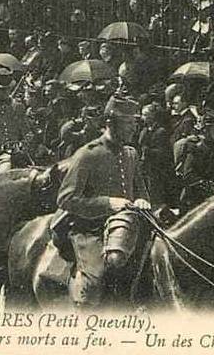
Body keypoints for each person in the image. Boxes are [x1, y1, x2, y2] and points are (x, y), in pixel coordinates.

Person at [54, 96, 150, 306]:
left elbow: (141, 191)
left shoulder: (131, 154)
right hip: (90, 229)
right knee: (94, 286)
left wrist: (142, 200)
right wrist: (107, 203)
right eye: (128, 123)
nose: (133, 129)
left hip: (126, 226)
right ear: (110, 123)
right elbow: (66, 199)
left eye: (134, 123)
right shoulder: (88, 154)